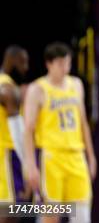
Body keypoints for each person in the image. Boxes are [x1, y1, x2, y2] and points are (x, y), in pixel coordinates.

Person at [23, 42, 96, 223]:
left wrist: (91, 156)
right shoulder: (37, 89)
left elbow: (84, 124)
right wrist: (30, 165)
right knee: (51, 215)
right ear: (49, 64)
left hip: (76, 157)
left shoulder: (76, 84)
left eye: (68, 63)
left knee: (82, 214)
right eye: (61, 64)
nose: (66, 68)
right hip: (51, 158)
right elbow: (28, 130)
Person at [0, 46, 29, 215]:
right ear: (12, 60)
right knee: (8, 212)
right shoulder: (8, 90)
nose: (26, 68)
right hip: (9, 157)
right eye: (23, 62)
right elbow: (18, 134)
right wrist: (28, 163)